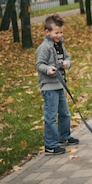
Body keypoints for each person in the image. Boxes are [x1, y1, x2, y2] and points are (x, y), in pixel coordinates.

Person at [36, 13, 79, 155]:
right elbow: (39, 64)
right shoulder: (44, 47)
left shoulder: (60, 45)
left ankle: (64, 136)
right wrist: (48, 69)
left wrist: (67, 63)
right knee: (51, 116)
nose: (59, 35)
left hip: (60, 85)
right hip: (49, 87)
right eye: (56, 32)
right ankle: (50, 145)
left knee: (65, 113)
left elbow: (67, 57)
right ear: (47, 32)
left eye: (61, 32)